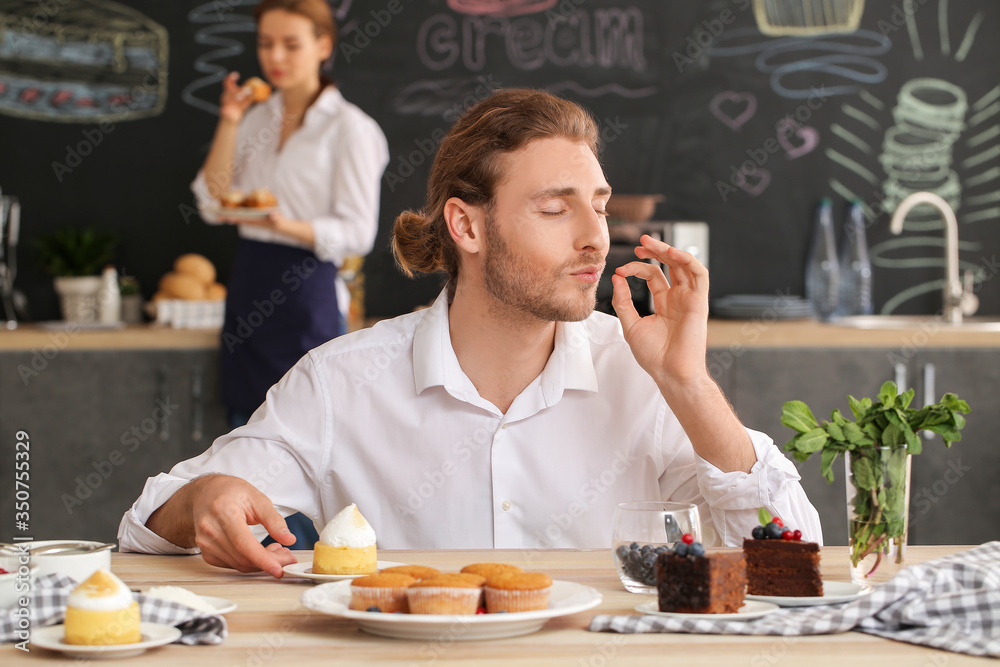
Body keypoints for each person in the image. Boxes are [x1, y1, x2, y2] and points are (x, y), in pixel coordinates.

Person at [121, 88, 821, 578]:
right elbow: (148, 522)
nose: (595, 239)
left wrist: (687, 384)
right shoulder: (342, 380)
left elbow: (790, 554)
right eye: (556, 209)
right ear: (467, 225)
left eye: (601, 208)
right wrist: (204, 501)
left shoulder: (645, 376)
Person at [189, 0, 388, 546]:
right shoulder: (257, 117)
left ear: (324, 46)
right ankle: (246, 559)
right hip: (250, 279)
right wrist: (230, 119)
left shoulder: (351, 129)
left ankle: (300, 565)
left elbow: (357, 232)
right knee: (242, 437)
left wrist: (287, 223)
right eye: (265, 44)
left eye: (291, 44)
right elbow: (211, 201)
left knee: (305, 439)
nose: (275, 56)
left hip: (306, 289)